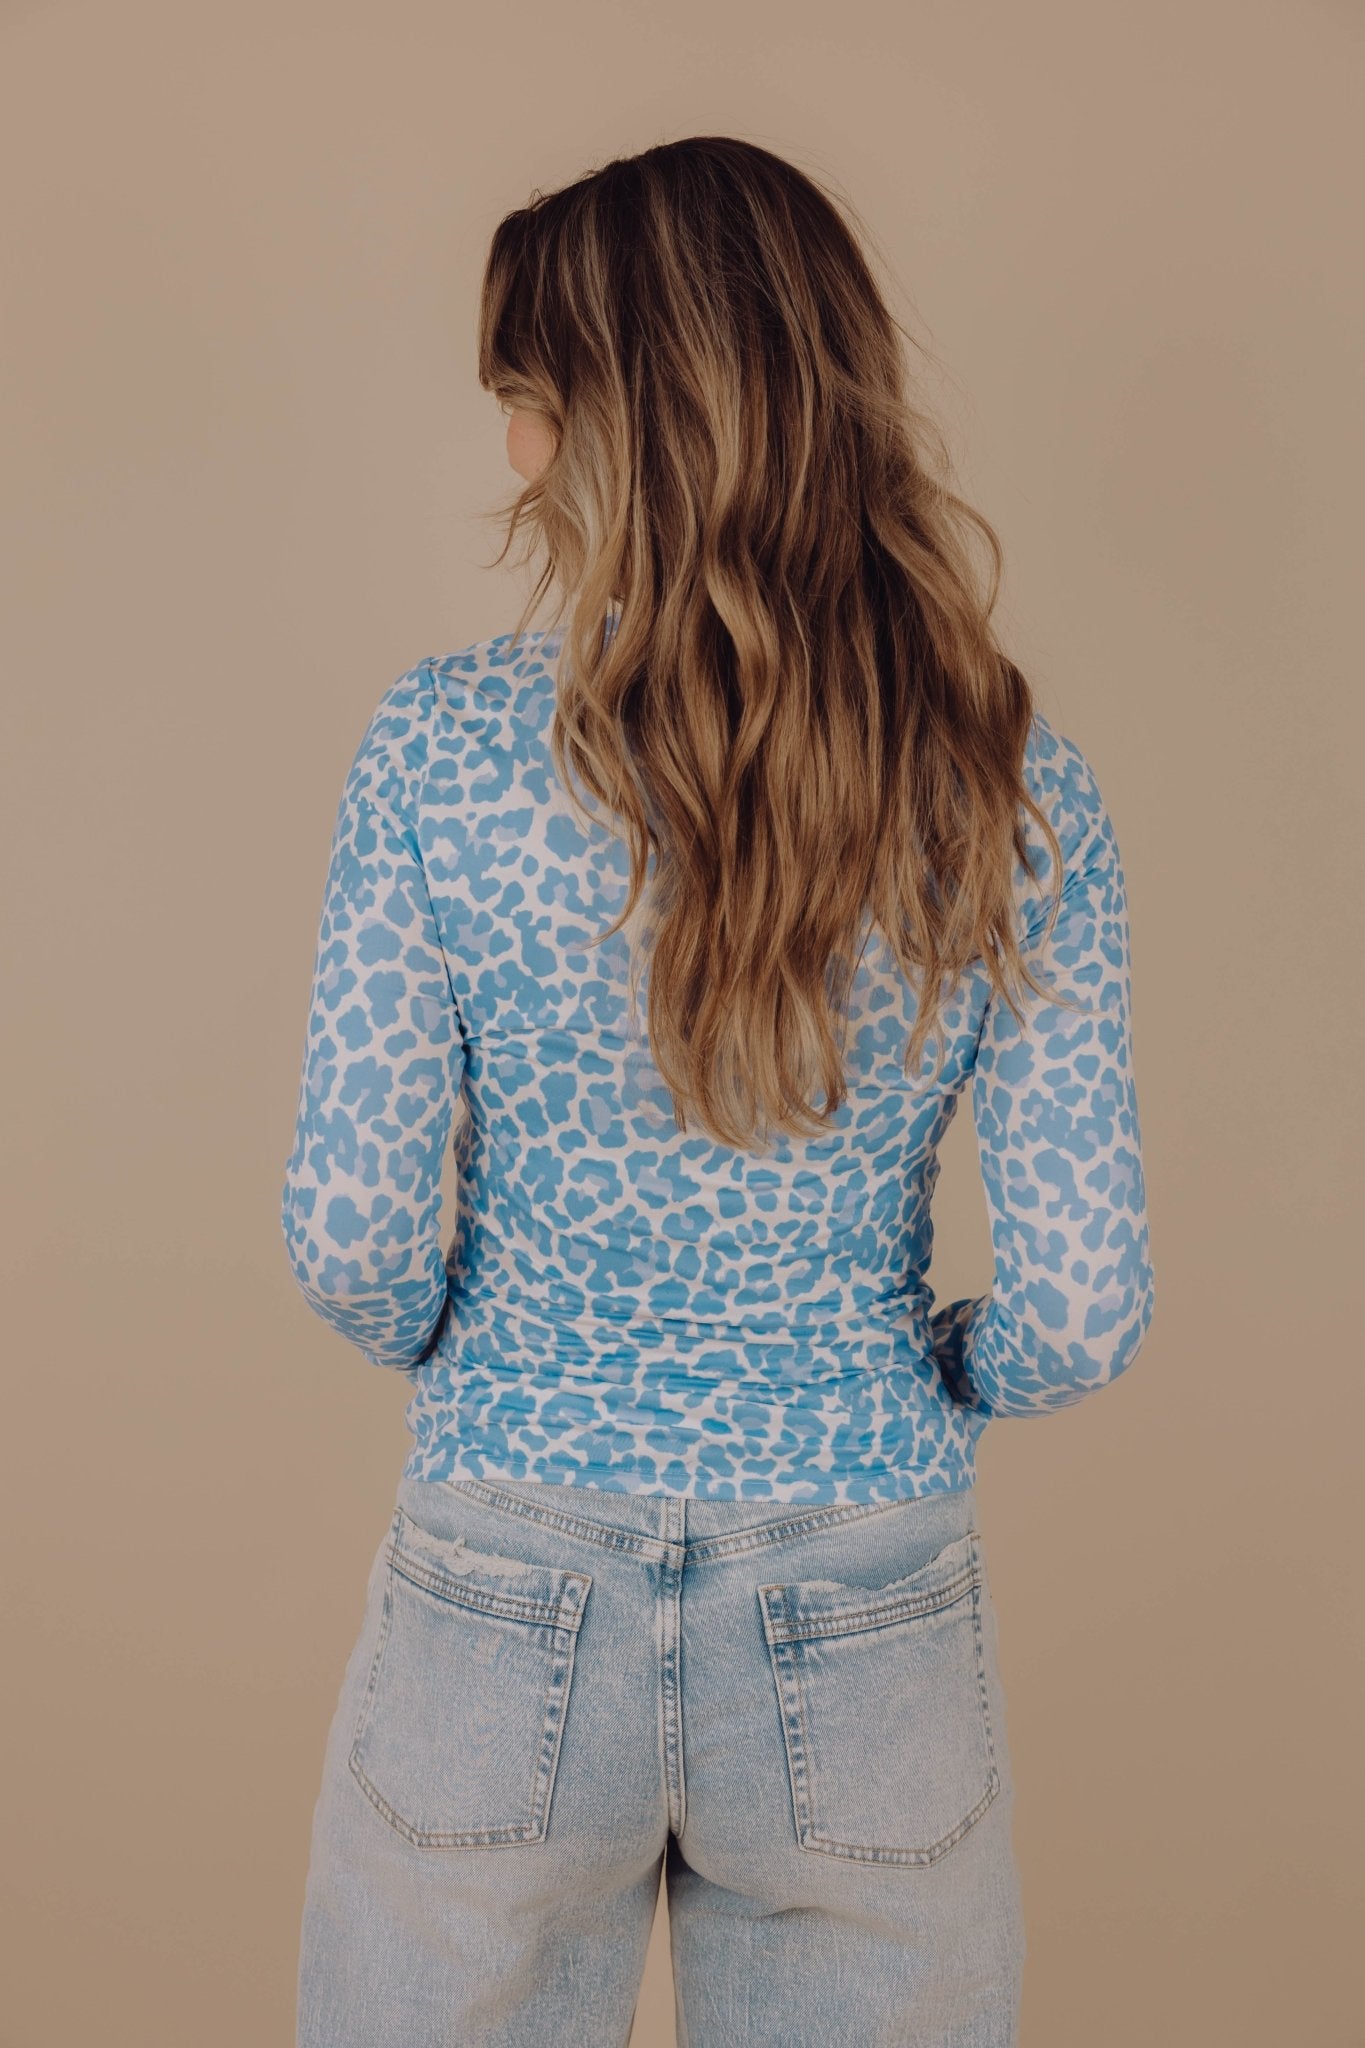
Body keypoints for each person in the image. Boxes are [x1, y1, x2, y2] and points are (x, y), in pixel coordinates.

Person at [281, 134, 1155, 2048]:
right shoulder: (1009, 787)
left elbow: (348, 1233)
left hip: (507, 1569)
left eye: (530, 397)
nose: (514, 450)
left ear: (620, 420)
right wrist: (932, 1370)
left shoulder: (440, 749)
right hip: (864, 1581)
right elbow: (1084, 1307)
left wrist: (490, 1355)